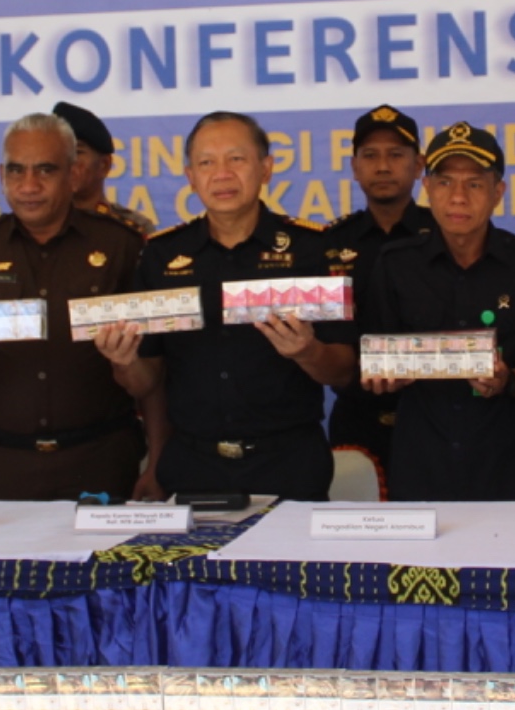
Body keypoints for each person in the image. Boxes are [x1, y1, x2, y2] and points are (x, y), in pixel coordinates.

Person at [97, 111, 359, 500]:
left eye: (236, 159)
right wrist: (123, 361)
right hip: (192, 465)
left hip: (289, 463)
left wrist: (308, 352)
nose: (222, 174)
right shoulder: (161, 256)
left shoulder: (312, 249)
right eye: (206, 163)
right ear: (190, 176)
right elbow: (145, 381)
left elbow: (344, 370)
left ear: (266, 168)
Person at [0, 112, 152, 501]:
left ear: (73, 174)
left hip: (100, 458)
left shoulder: (121, 246)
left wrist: (124, 362)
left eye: (45, 170)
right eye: (17, 171)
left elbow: (151, 378)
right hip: (4, 464)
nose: (29, 185)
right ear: (2, 176)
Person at [361, 122, 515, 500]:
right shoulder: (395, 264)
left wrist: (509, 380)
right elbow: (371, 356)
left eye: (474, 184)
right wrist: (381, 378)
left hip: (506, 465)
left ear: (498, 192)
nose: (458, 197)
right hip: (420, 465)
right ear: (427, 188)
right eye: (445, 182)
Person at [321, 106, 435, 463]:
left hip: (437, 414)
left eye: (395, 155)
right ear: (355, 167)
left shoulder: (446, 235)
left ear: (418, 165)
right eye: (370, 156)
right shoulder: (329, 245)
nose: (383, 166)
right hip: (357, 417)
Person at [55, 100, 156, 237]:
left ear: (104, 165)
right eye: (58, 153)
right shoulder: (36, 225)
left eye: (77, 152)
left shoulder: (133, 229)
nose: (65, 162)